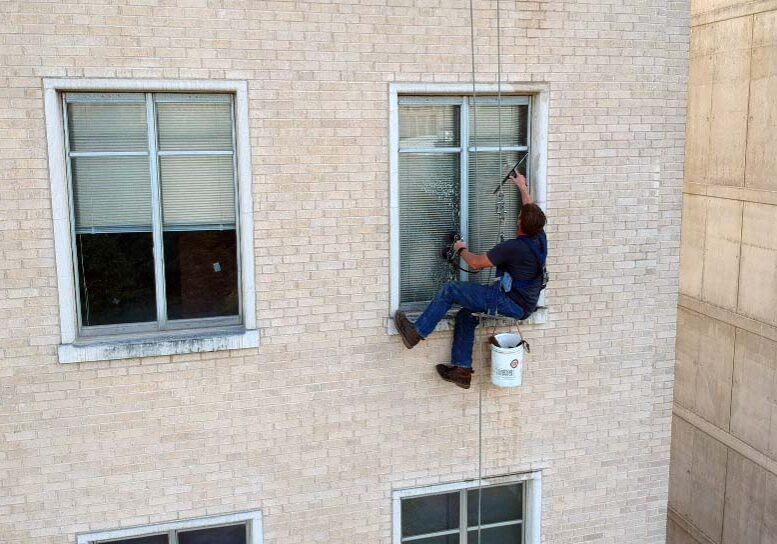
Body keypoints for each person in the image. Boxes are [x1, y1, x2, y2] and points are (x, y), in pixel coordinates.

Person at [394, 171, 547, 389]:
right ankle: (461, 370)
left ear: (519, 223)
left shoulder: (514, 248)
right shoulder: (539, 238)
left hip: (509, 302)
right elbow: (530, 210)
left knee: (451, 289)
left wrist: (460, 249)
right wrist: (522, 187)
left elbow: (475, 263)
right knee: (467, 314)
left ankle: (416, 333)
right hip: (523, 304)